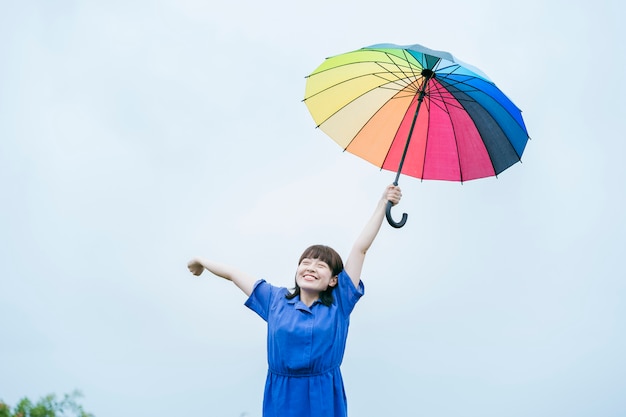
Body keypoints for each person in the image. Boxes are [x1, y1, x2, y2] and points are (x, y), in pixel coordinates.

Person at [187, 184, 402, 417]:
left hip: (323, 396)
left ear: (333, 280)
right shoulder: (275, 300)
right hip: (282, 396)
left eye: (321, 266)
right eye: (306, 263)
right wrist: (201, 260)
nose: (311, 268)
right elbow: (234, 274)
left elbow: (360, 249)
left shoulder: (340, 302)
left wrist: (383, 202)